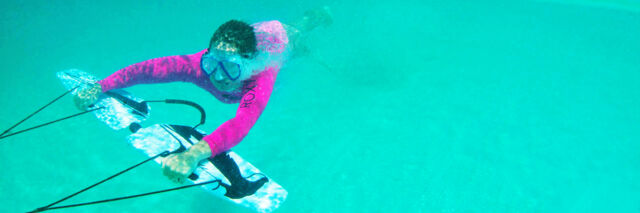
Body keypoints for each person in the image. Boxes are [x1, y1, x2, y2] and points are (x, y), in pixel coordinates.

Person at [73, 7, 332, 198]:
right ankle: (314, 19)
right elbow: (148, 69)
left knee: (298, 42)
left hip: (280, 41)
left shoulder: (260, 76)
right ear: (206, 57)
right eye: (212, 64)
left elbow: (242, 123)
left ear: (250, 63)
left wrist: (192, 155)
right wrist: (101, 86)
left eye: (230, 68)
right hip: (256, 36)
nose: (218, 76)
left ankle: (318, 17)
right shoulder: (198, 66)